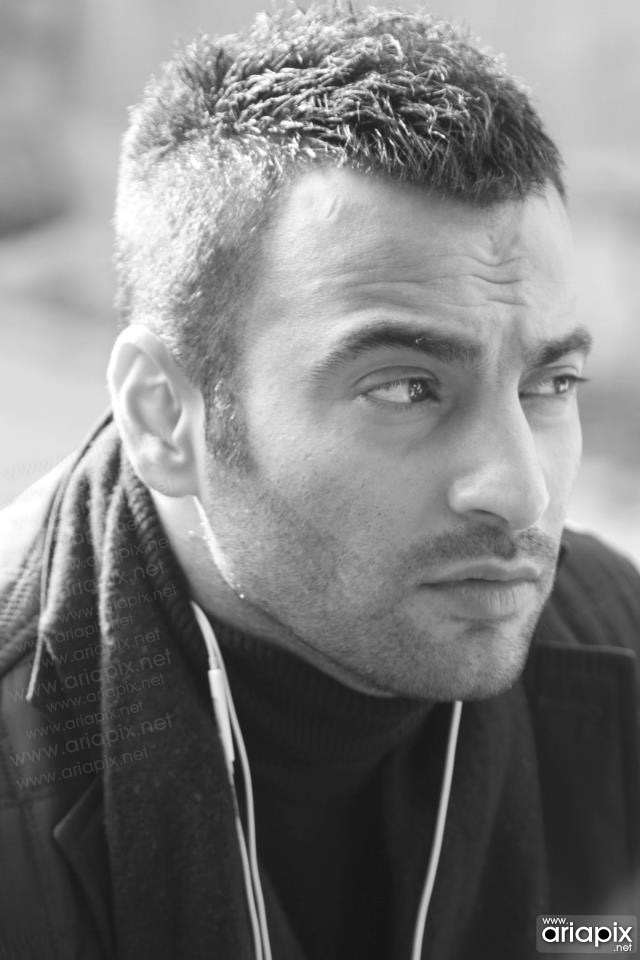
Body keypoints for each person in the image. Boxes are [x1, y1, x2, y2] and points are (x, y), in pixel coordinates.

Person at [1, 5, 638, 958]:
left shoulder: (615, 644)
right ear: (163, 415)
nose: (522, 492)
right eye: (407, 388)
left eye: (549, 385)